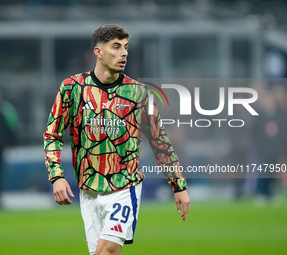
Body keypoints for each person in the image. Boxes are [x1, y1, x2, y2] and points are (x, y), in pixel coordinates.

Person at [43, 24, 190, 255]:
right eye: (116, 47)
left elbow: (159, 140)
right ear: (98, 52)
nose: (124, 53)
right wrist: (56, 176)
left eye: (126, 47)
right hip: (89, 188)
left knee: (107, 250)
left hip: (125, 185)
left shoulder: (139, 93)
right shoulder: (72, 88)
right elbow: (52, 133)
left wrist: (178, 184)